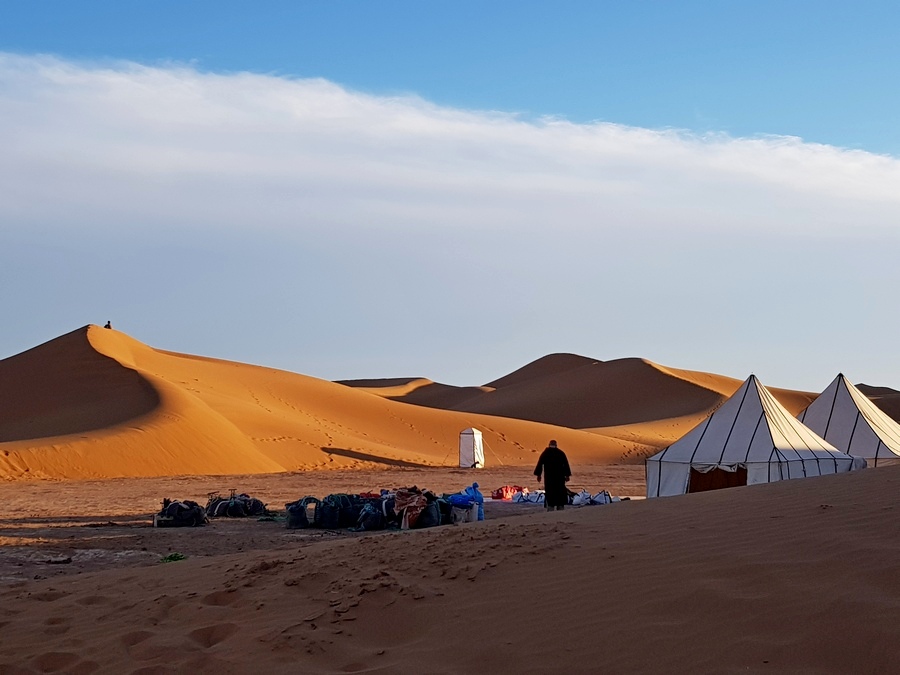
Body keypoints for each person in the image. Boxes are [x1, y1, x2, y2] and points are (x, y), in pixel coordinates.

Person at [534, 439, 571, 511]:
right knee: (559, 492)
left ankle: (551, 508)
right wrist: (567, 475)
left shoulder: (545, 453)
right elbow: (566, 465)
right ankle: (559, 508)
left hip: (549, 478)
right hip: (559, 478)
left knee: (551, 492)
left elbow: (540, 464)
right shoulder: (560, 453)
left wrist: (539, 475)